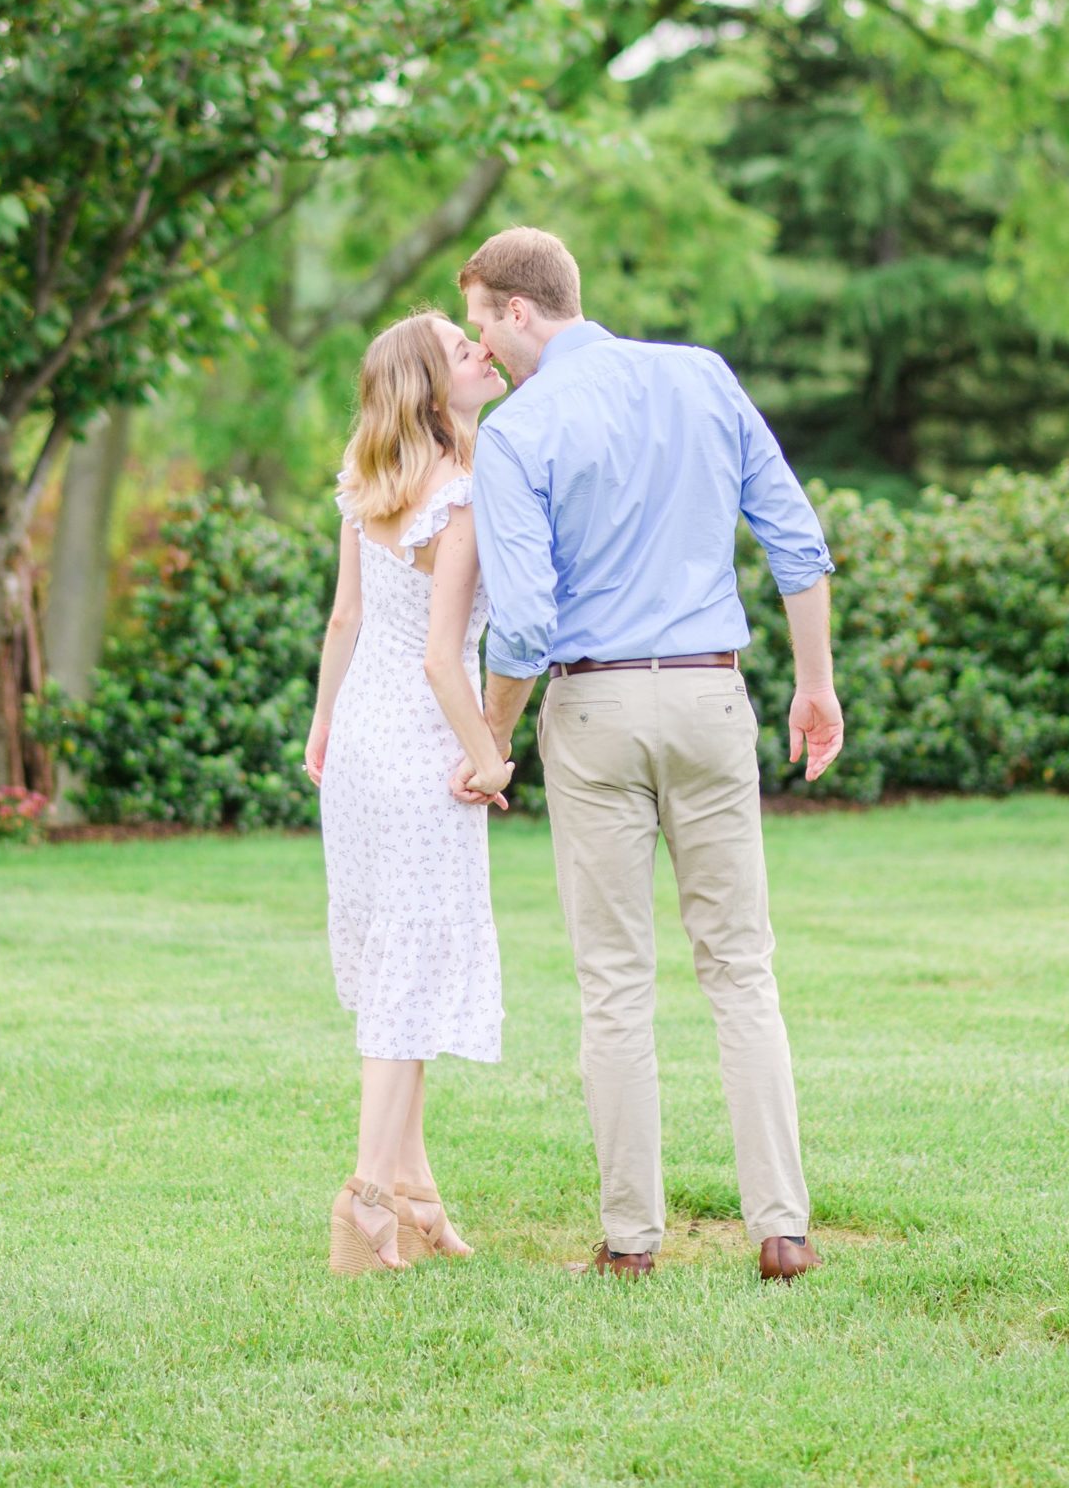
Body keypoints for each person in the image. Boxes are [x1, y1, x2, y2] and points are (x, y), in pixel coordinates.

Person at [455, 226, 844, 1284]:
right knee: (740, 967)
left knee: (615, 981)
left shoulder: (517, 432)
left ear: (520, 310)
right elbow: (795, 540)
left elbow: (525, 623)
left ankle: (630, 1241)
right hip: (713, 694)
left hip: (593, 709)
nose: (480, 347)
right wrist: (813, 684)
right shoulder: (701, 377)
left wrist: (491, 738)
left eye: (482, 320)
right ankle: (783, 1227)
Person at [303, 310, 512, 1274]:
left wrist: (321, 725)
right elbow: (443, 659)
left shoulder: (365, 482)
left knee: (400, 958)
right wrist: (492, 756)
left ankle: (417, 1191)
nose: (479, 351)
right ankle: (367, 1198)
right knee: (410, 965)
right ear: (430, 387)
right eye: (458, 347)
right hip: (421, 748)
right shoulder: (460, 495)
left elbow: (344, 619)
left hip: (357, 748)